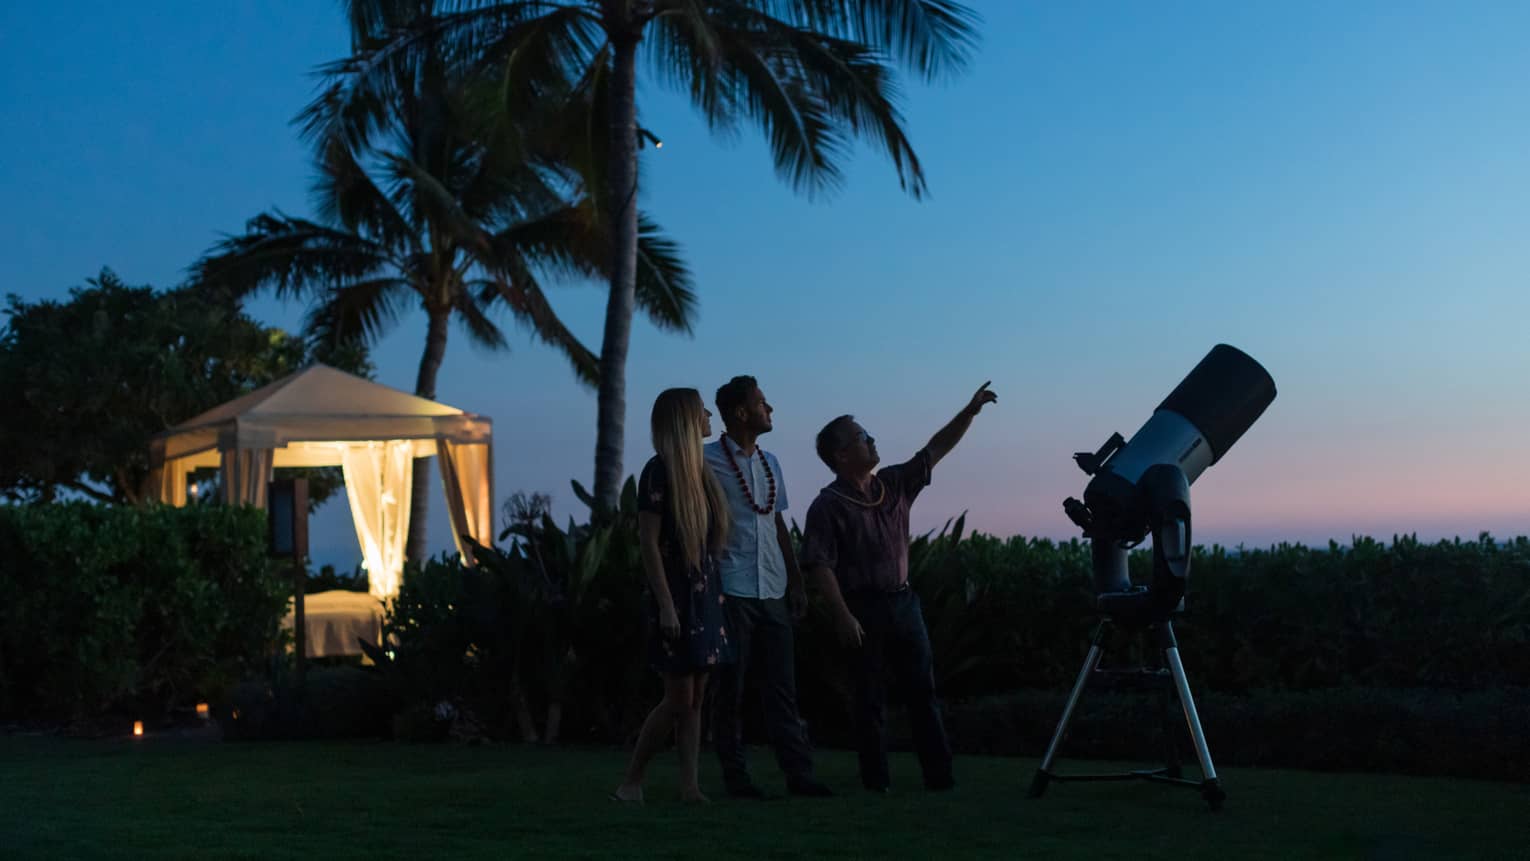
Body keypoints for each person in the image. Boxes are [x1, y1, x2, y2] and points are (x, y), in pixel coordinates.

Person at [800, 382, 999, 793]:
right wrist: (842, 615)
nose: (871, 440)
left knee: (922, 693)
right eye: (861, 437)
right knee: (869, 700)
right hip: (862, 610)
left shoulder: (893, 484)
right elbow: (819, 565)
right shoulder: (827, 506)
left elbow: (935, 450)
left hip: (904, 605)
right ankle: (876, 784)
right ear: (841, 455)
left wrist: (970, 411)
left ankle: (939, 779)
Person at [704, 376, 832, 799]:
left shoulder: (770, 463)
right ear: (742, 413)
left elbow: (775, 522)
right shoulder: (706, 461)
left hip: (772, 589)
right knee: (730, 690)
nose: (770, 409)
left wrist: (795, 581)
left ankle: (800, 775)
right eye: (762, 403)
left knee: (782, 690)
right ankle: (735, 778)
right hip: (731, 587)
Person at [613, 388, 734, 804]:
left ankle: (690, 786)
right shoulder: (658, 472)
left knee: (696, 698)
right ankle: (632, 781)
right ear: (685, 419)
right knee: (678, 698)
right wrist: (665, 603)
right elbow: (648, 543)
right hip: (676, 597)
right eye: (702, 410)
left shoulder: (700, 472)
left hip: (705, 595)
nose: (708, 415)